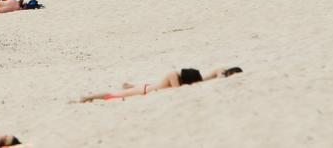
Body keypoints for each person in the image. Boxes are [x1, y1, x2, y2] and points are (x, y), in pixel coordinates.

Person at [79, 67, 244, 103]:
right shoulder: (173, 76)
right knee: (113, 96)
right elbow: (177, 91)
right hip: (144, 90)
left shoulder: (188, 80)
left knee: (121, 93)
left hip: (150, 87)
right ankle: (89, 96)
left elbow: (215, 72)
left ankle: (129, 85)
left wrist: (222, 75)